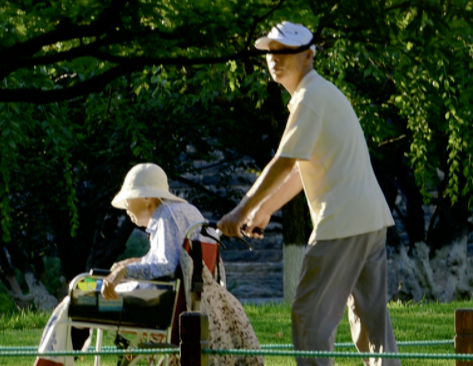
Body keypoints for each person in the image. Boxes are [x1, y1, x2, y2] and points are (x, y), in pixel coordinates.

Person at [217, 21, 401, 366]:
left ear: (308, 56)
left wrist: (242, 210)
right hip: (368, 220)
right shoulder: (318, 94)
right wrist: (267, 209)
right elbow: (303, 169)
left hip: (341, 223)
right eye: (271, 51)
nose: (275, 58)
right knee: (373, 329)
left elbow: (284, 163)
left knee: (309, 317)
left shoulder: (310, 97)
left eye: (285, 51)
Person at [34, 163, 263, 366]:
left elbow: (164, 267)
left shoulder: (166, 216)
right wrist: (135, 263)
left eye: (128, 200)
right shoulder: (188, 212)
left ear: (146, 198)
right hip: (182, 303)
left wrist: (123, 271)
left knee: (76, 296)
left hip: (159, 306)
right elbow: (174, 263)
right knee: (82, 293)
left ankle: (51, 362)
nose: (126, 209)